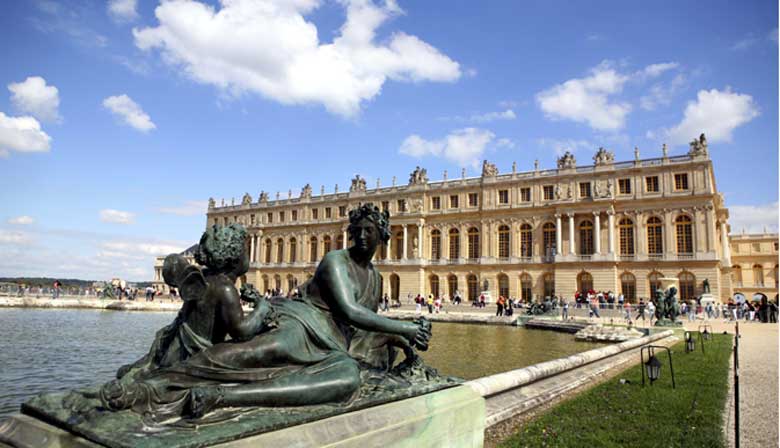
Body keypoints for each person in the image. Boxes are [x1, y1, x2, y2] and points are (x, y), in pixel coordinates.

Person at [100, 204, 432, 419]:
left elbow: (362, 329)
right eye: (355, 230)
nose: (360, 236)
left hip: (331, 347)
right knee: (245, 354)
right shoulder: (335, 261)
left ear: (383, 236)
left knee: (347, 378)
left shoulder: (373, 275)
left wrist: (399, 340)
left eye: (368, 231)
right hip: (301, 323)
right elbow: (348, 309)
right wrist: (404, 329)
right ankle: (148, 387)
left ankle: (222, 397)